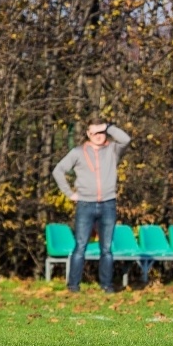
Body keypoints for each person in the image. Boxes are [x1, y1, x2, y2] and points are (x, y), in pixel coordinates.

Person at [52, 120, 131, 293]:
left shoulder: (113, 150)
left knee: (107, 249)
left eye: (101, 133)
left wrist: (108, 127)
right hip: (85, 205)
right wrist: (69, 193)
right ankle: (73, 286)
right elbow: (58, 171)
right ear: (88, 134)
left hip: (108, 204)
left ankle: (107, 286)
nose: (99, 136)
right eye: (95, 133)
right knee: (80, 246)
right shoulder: (78, 152)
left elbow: (126, 139)